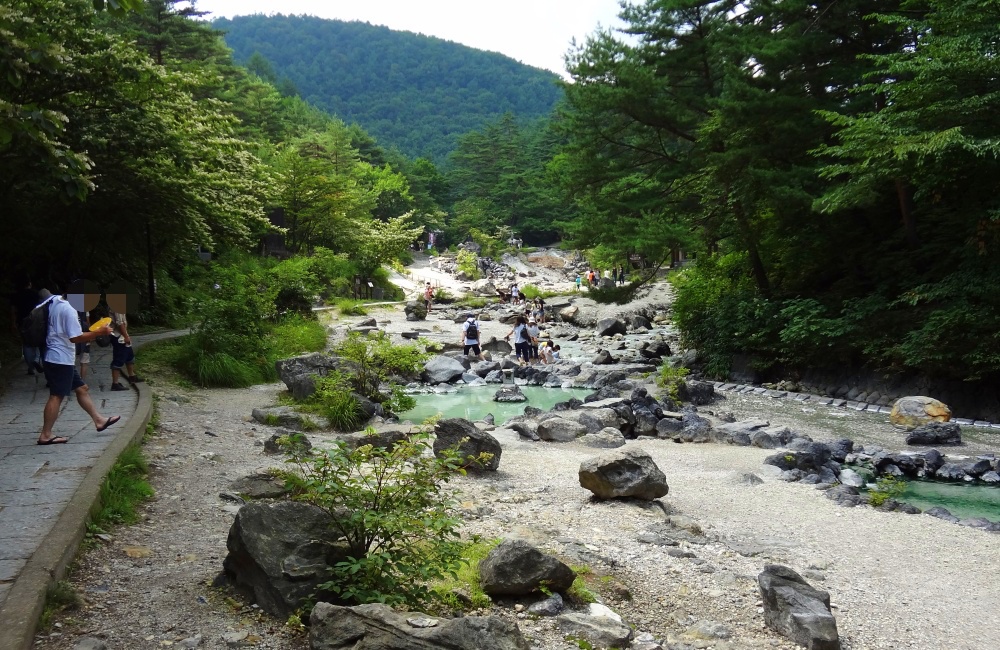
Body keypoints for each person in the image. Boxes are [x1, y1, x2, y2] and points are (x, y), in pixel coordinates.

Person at [37, 288, 120, 445]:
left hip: (57, 356)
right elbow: (75, 338)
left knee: (82, 388)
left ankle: (99, 420)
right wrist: (99, 332)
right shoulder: (69, 310)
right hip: (59, 358)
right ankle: (45, 435)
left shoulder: (55, 300)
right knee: (56, 396)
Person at [10, 276, 44, 375]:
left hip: (22, 321)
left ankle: (30, 367)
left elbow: (13, 311)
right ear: (29, 283)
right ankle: (37, 359)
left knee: (26, 343)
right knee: (38, 341)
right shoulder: (35, 294)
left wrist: (13, 323)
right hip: (35, 321)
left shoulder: (15, 296)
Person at [109, 308, 142, 391]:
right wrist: (126, 336)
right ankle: (115, 383)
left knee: (129, 357)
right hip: (118, 336)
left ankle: (132, 376)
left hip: (122, 335)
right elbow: (120, 323)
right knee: (119, 359)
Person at [76, 310, 91, 380]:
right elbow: (87, 322)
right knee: (84, 361)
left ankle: (72, 381)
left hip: (72, 336)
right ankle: (82, 381)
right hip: (84, 335)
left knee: (72, 361)